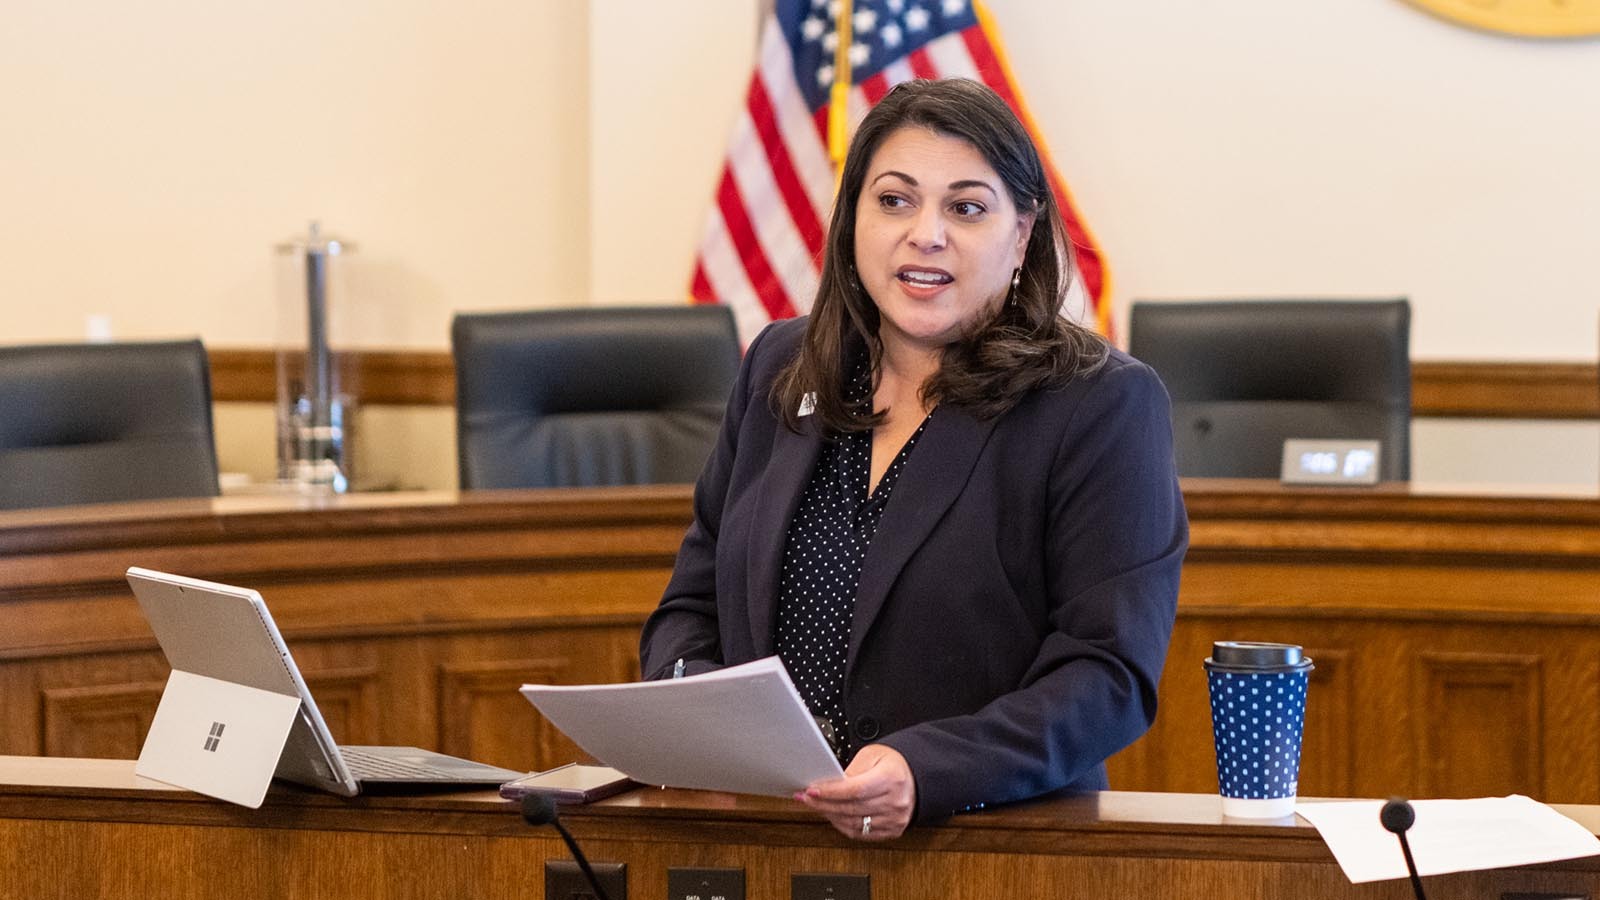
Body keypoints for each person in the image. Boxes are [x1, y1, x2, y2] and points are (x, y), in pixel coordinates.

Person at [638, 78, 1186, 841]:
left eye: (966, 208)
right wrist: (698, 717)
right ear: (852, 220)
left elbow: (1107, 675)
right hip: (768, 838)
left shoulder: (1098, 405)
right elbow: (689, 609)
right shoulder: (778, 367)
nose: (925, 234)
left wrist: (925, 770)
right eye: (894, 200)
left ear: (1022, 233)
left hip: (986, 848)